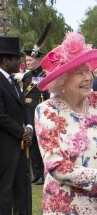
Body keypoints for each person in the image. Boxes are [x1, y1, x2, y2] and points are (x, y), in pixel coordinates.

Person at [35, 32, 97, 214]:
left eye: (88, 70)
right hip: (66, 206)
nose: (88, 77)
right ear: (62, 80)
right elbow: (56, 165)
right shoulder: (47, 110)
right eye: (79, 73)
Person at [0, 36, 33, 214]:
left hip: (20, 144)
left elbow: (24, 106)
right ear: (5, 60)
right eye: (15, 59)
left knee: (23, 187)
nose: (19, 62)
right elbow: (1, 116)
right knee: (5, 191)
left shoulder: (13, 81)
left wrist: (29, 127)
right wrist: (22, 131)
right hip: (5, 147)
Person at [22, 48, 50, 185]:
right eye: (26, 60)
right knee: (32, 144)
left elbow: (48, 95)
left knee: (42, 144)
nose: (28, 62)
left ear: (38, 60)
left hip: (40, 111)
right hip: (27, 111)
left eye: (30, 60)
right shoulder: (26, 76)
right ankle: (37, 173)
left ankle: (45, 174)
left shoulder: (45, 74)